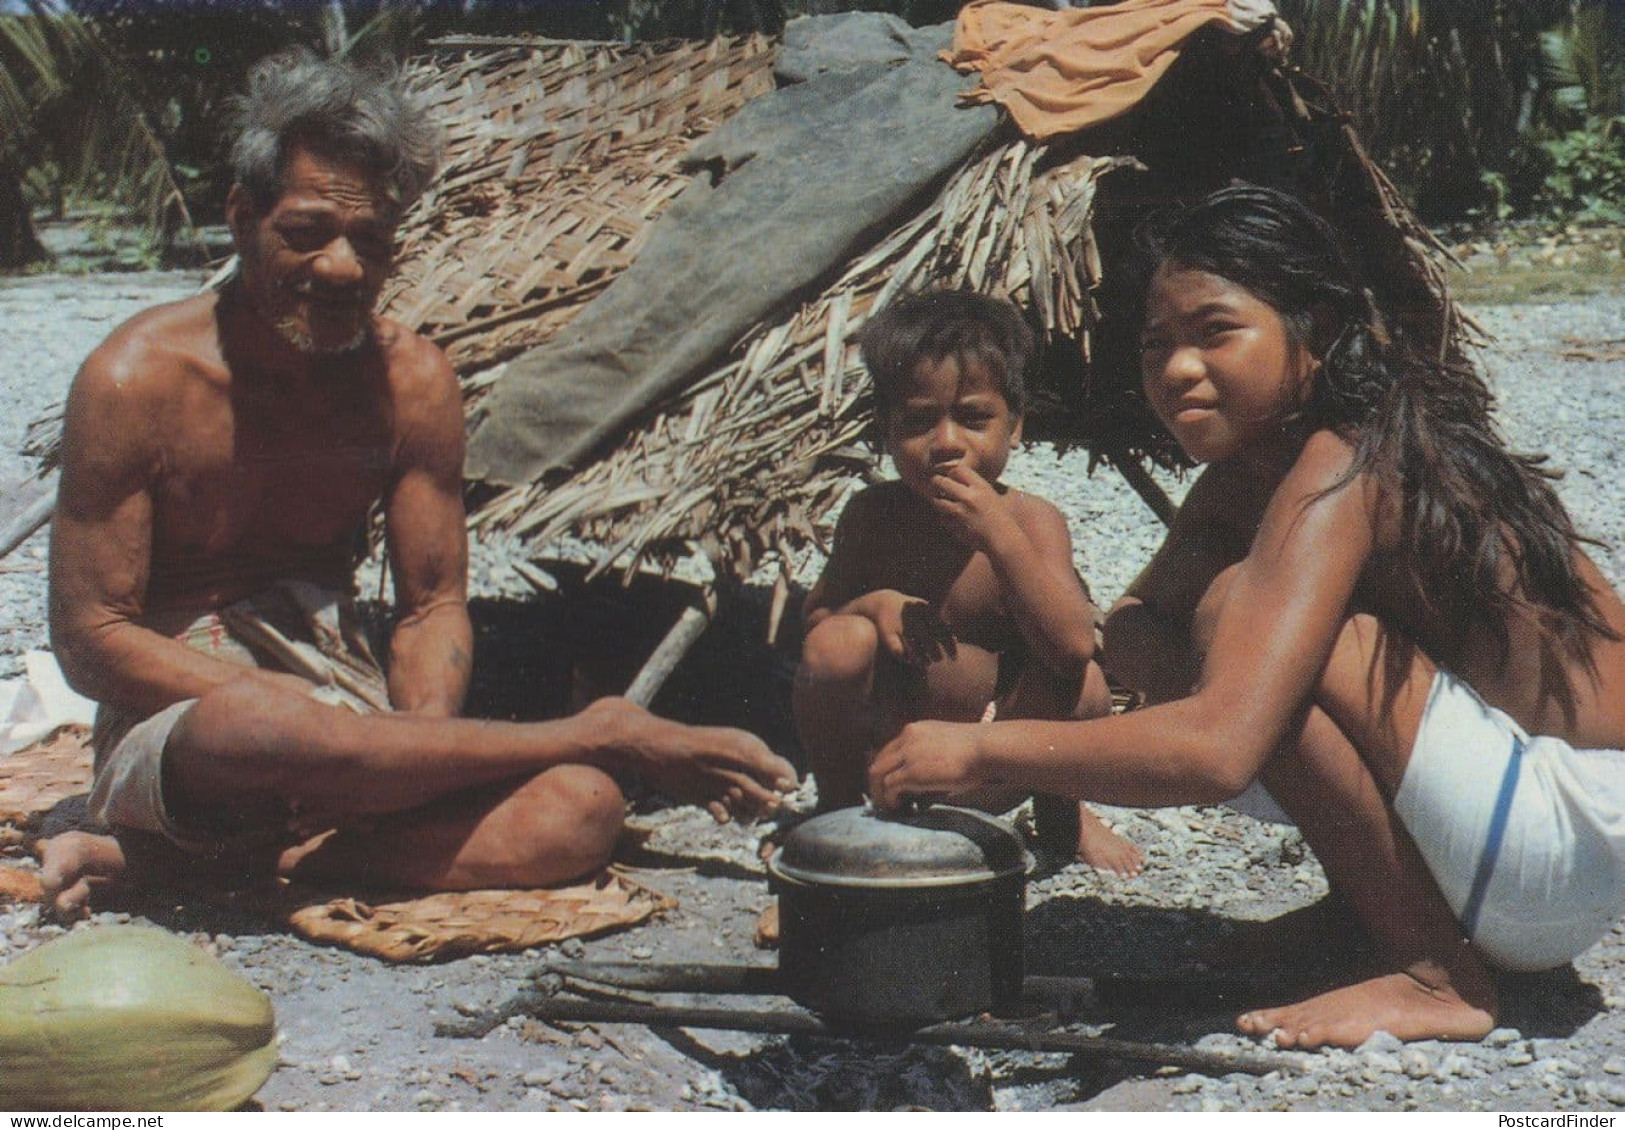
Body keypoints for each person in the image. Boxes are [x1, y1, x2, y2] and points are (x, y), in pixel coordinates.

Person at [39, 49, 796, 919]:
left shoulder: (412, 382)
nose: (341, 268)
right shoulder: (134, 380)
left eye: (371, 239)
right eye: (306, 231)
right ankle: (598, 728)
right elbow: (91, 637)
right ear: (242, 216)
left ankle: (240, 864)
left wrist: (415, 742)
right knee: (266, 725)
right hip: (195, 714)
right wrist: (298, 712)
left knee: (581, 811)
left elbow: (433, 605)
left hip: (346, 702)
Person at [867, 186, 1625, 1047]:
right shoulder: (1261, 472)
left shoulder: (1347, 463)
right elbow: (1131, 633)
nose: (1176, 370)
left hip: (1557, 847)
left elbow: (1216, 751)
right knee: (1236, 626)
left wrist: (980, 746)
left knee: (1259, 634)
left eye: (1214, 332)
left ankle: (1436, 976)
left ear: (1318, 331)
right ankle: (1365, 919)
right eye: (1156, 345)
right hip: (1532, 855)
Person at [794, 289, 1141, 873]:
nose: (947, 443)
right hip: (887, 763)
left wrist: (1001, 539)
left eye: (974, 418)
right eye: (918, 420)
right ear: (885, 427)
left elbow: (1075, 645)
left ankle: (1065, 817)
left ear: (1016, 427)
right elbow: (815, 633)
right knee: (838, 641)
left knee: (1085, 689)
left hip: (996, 766)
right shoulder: (873, 516)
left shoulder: (1032, 521)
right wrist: (875, 607)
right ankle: (835, 818)